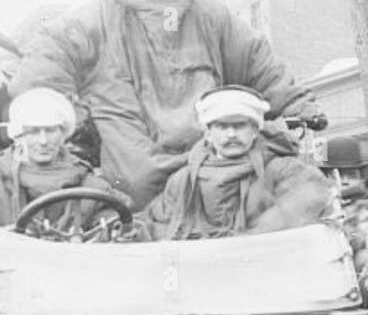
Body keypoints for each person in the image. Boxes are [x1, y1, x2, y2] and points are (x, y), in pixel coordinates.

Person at [10, 0, 322, 210]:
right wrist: (60, 116)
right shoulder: (99, 16)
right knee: (136, 186)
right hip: (131, 135)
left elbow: (254, 58)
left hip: (203, 139)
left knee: (238, 185)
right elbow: (48, 56)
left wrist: (297, 104)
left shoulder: (206, 12)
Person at [139, 85, 333, 241]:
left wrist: (246, 241)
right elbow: (158, 224)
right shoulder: (182, 182)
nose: (231, 134)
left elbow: (309, 197)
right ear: (208, 133)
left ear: (255, 130)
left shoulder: (283, 170)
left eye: (239, 125)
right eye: (222, 126)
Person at [0, 88, 123, 238]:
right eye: (34, 131)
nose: (43, 141)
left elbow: (121, 222)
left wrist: (107, 234)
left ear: (63, 134)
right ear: (19, 135)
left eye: (50, 130)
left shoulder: (92, 188)